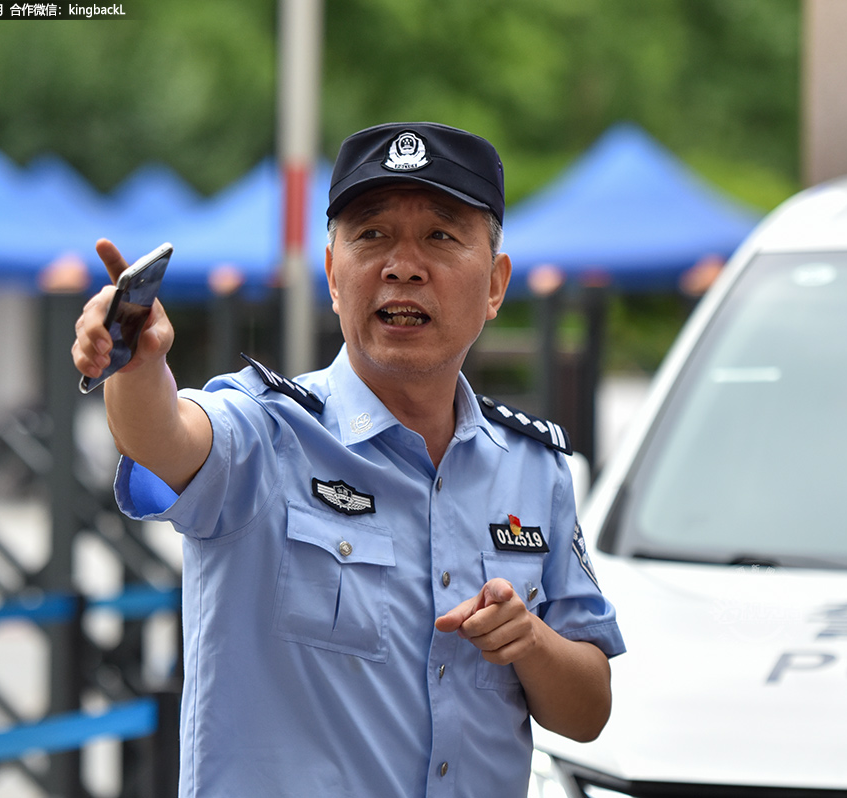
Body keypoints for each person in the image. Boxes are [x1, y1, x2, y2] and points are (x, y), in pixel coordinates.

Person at [72, 122, 624, 796]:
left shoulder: (534, 469)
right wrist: (137, 365)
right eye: (371, 236)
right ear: (333, 275)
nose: (403, 265)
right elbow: (166, 438)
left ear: (495, 285)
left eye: (441, 237)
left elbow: (589, 710)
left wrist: (528, 641)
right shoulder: (270, 433)